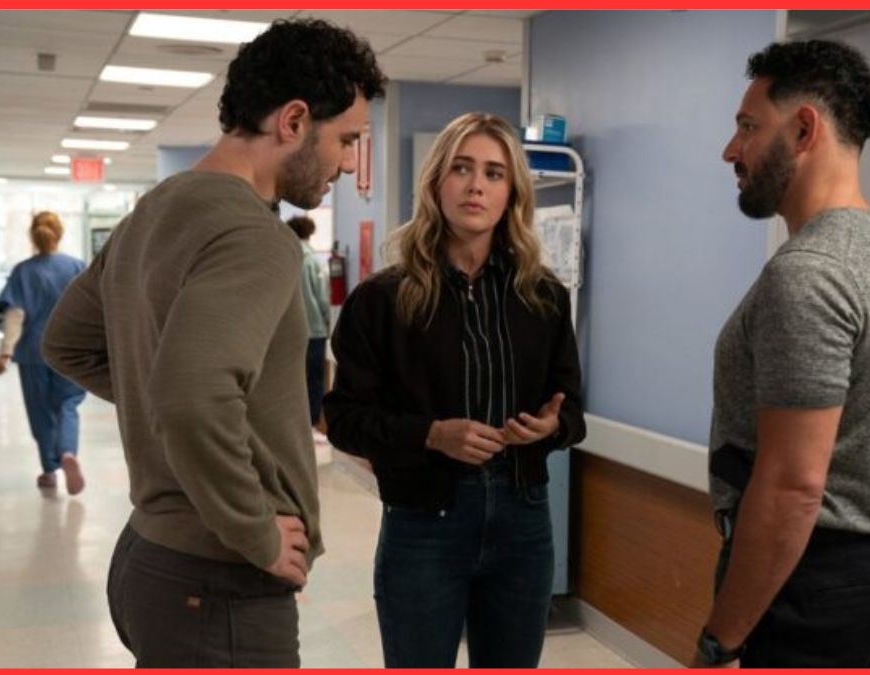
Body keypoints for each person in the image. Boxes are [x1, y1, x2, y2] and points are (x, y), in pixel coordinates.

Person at [42, 19, 386, 667]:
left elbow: (67, 342)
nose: (347, 162)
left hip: (151, 559)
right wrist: (255, 530)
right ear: (293, 120)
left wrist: (163, 404)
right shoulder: (256, 236)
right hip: (218, 581)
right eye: (346, 140)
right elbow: (191, 395)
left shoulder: (155, 210)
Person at [694, 40, 870, 668]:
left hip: (808, 578)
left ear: (803, 131)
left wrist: (720, 641)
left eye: (748, 127)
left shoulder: (809, 273)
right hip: (865, 570)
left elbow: (793, 486)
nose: (731, 150)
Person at [324, 112, 586, 668]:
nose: (476, 186)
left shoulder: (543, 297)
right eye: (461, 168)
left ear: (511, 193)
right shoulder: (384, 299)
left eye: (493, 173)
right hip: (425, 524)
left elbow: (573, 410)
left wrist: (551, 426)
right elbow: (343, 419)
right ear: (436, 182)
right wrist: (431, 435)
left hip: (522, 519)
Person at [0, 211, 88, 493]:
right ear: (60, 233)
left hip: (33, 353)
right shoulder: (77, 267)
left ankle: (49, 470)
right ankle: (68, 452)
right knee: (68, 404)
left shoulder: (23, 271)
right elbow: (91, 311)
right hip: (71, 349)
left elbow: (15, 315)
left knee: (40, 412)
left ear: (32, 235)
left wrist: (5, 353)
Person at [286, 215, 331, 430]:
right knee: (314, 379)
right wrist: (328, 321)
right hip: (314, 329)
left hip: (288, 330)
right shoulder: (313, 261)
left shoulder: (284, 257)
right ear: (309, 233)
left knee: (290, 377)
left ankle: (292, 420)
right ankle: (312, 420)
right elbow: (322, 296)